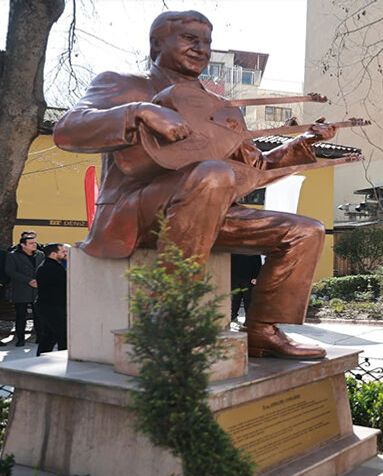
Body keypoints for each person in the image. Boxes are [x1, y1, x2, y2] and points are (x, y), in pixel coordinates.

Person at [53, 10, 343, 359]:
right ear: (156, 43)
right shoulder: (127, 84)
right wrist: (140, 112)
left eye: (207, 42)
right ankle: (172, 312)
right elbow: (68, 129)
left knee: (306, 231)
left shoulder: (221, 108)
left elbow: (255, 168)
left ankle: (263, 330)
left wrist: (303, 144)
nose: (201, 49)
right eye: (190, 39)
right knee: (214, 175)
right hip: (138, 210)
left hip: (210, 210)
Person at [5, 236, 45, 346]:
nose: (34, 244)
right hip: (21, 289)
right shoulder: (13, 255)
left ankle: (40, 337)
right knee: (21, 315)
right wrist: (28, 280)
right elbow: (10, 271)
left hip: (37, 289)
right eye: (31, 243)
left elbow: (43, 268)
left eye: (35, 242)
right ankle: (20, 339)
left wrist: (39, 280)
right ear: (23, 245)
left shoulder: (40, 254)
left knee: (38, 315)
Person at [35, 243, 68, 355]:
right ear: (53, 254)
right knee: (62, 335)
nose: (65, 254)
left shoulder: (52, 265)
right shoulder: (50, 267)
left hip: (50, 306)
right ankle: (63, 358)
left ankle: (41, 357)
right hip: (52, 307)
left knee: (49, 336)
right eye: (62, 252)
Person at [231, 254, 263, 324]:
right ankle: (235, 318)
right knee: (239, 299)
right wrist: (256, 276)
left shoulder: (235, 250)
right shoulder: (252, 250)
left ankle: (245, 320)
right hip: (243, 277)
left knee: (244, 300)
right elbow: (258, 262)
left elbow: (257, 262)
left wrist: (256, 276)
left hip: (245, 278)